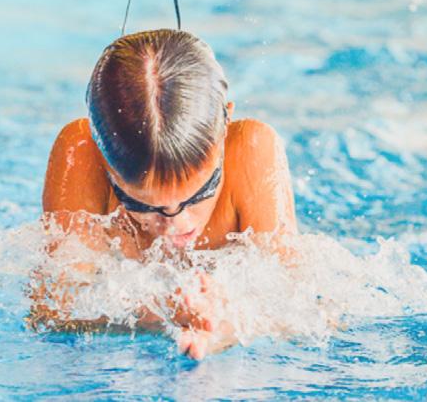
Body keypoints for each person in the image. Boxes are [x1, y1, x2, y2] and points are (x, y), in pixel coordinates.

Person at [29, 27, 297, 360]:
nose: (174, 224)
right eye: (139, 203)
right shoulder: (81, 152)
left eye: (200, 194)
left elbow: (297, 302)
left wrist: (220, 328)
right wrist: (158, 312)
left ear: (225, 122)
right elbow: (52, 308)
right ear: (103, 156)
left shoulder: (251, 150)